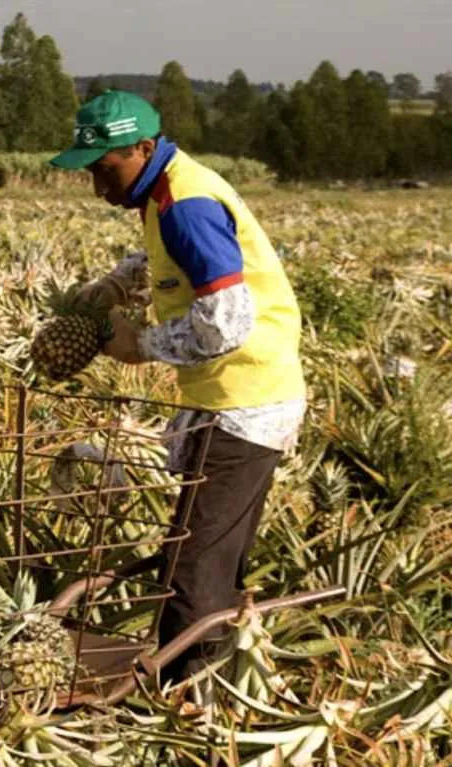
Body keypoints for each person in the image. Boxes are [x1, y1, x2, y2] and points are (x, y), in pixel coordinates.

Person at [48, 91, 307, 683]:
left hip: (245, 403)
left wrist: (140, 346)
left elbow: (226, 323)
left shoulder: (186, 201)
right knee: (203, 552)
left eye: (105, 170)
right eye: (91, 173)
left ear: (143, 148)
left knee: (195, 570)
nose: (98, 188)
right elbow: (170, 258)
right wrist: (119, 283)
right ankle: (197, 682)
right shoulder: (166, 191)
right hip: (231, 398)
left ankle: (192, 702)